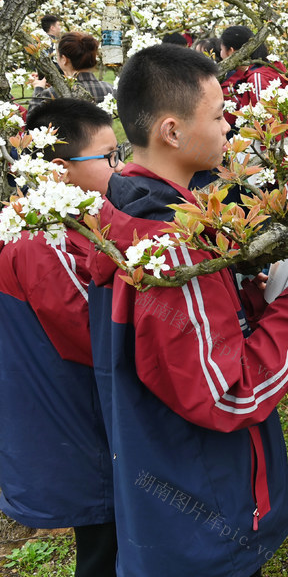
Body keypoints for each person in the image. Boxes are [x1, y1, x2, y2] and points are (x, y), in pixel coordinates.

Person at [87, 44, 288, 577]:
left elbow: (178, 347)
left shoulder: (124, 215)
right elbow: (228, 394)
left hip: (166, 495)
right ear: (172, 132)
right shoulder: (172, 245)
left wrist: (241, 302)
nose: (229, 128)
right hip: (206, 513)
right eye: (219, 115)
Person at [0, 98, 122, 577]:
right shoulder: (43, 241)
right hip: (80, 428)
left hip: (72, 424)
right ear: (57, 168)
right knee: (104, 550)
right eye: (109, 156)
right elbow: (96, 336)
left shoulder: (54, 226)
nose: (121, 166)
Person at [219, 25, 288, 127]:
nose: (220, 54)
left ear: (231, 51)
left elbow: (266, 122)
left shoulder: (257, 78)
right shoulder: (268, 67)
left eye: (221, 49)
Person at [28, 31, 114, 112]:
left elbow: (31, 122)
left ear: (64, 59)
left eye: (57, 56)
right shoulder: (110, 90)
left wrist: (38, 89)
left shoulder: (52, 94)